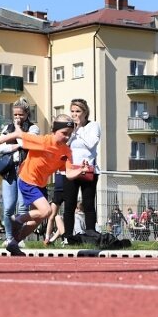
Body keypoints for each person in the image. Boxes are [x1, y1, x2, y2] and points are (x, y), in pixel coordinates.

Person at [0, 114, 87, 255]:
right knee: (46, 211)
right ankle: (17, 219)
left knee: (37, 220)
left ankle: (14, 243)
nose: (67, 137)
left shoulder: (66, 151)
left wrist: (80, 170)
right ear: (54, 131)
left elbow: (69, 174)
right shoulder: (43, 141)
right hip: (27, 179)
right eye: (64, 133)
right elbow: (18, 134)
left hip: (40, 184)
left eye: (70, 134)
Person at [0, 96, 39, 250]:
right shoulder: (7, 128)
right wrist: (15, 146)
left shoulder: (33, 128)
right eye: (15, 115)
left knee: (22, 207)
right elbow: (0, 148)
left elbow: (27, 142)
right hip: (9, 171)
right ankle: (8, 238)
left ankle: (18, 238)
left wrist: (16, 138)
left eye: (21, 114)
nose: (17, 117)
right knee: (8, 207)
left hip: (25, 170)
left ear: (27, 114)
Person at [62, 98, 101, 240]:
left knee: (88, 203)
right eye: (72, 111)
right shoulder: (70, 128)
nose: (74, 114)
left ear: (85, 113)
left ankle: (91, 234)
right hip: (71, 169)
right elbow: (63, 144)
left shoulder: (93, 126)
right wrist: (72, 132)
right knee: (69, 205)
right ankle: (67, 236)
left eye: (78, 111)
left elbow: (91, 144)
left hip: (88, 169)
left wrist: (78, 130)